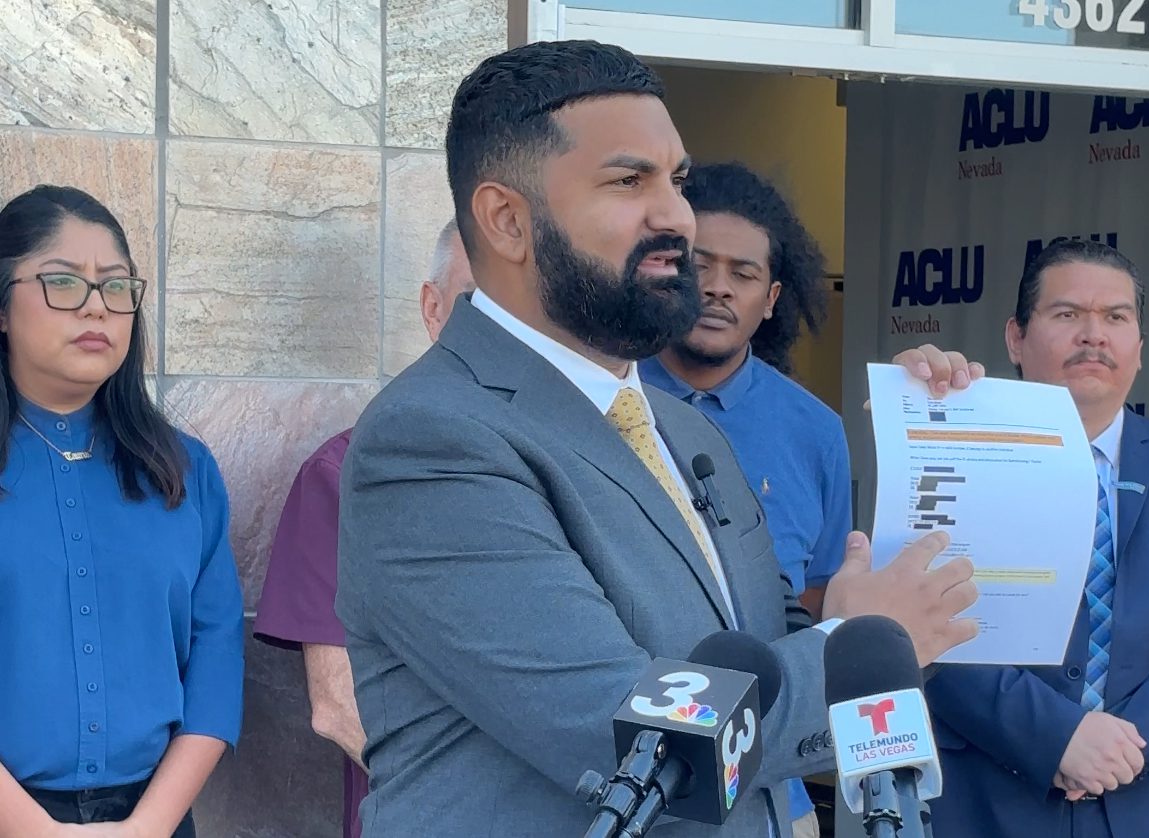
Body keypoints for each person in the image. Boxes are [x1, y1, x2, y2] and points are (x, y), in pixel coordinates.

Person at [336, 40, 979, 837]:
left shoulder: (677, 425)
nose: (676, 214)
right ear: (507, 220)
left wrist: (943, 452)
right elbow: (632, 739)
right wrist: (849, 645)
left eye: (676, 179)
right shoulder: (432, 440)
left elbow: (766, 651)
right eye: (628, 180)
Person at [912, 240, 1149, 838]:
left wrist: (1121, 748)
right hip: (990, 799)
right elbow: (917, 625)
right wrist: (1057, 736)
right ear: (1016, 338)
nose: (1094, 335)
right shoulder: (951, 450)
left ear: (1140, 347)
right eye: (1067, 314)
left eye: (1116, 317)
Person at [0, 185, 243, 837]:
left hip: (153, 819)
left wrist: (149, 825)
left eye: (115, 286)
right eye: (63, 282)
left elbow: (216, 653)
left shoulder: (182, 470)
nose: (96, 307)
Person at [640, 161, 849, 838]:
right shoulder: (604, 396)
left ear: (771, 297)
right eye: (699, 264)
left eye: (744, 273)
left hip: (773, 797)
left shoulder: (816, 431)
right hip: (624, 783)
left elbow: (816, 603)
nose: (717, 287)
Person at [253, 219, 474, 838]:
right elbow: (339, 707)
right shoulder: (344, 474)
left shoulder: (581, 468)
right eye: (477, 303)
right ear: (433, 308)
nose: (504, 333)